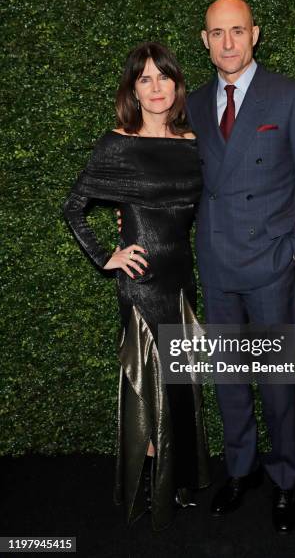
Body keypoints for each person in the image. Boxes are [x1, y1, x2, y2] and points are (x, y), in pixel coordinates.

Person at [186, 0, 295, 533]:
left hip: (271, 265)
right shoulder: (196, 103)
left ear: (255, 35)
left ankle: (285, 480)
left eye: (237, 31)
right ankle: (240, 470)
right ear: (205, 40)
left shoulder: (291, 97)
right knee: (228, 379)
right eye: (217, 33)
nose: (228, 42)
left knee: (275, 382)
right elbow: (183, 179)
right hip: (217, 264)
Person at [63, 42, 210, 531]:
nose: (155, 87)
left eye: (162, 77)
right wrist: (108, 257)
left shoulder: (194, 142)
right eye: (143, 79)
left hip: (182, 280)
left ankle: (179, 479)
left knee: (181, 384)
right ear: (132, 89)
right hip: (142, 284)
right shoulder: (117, 143)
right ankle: (153, 485)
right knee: (148, 385)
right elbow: (75, 207)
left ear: (176, 83)